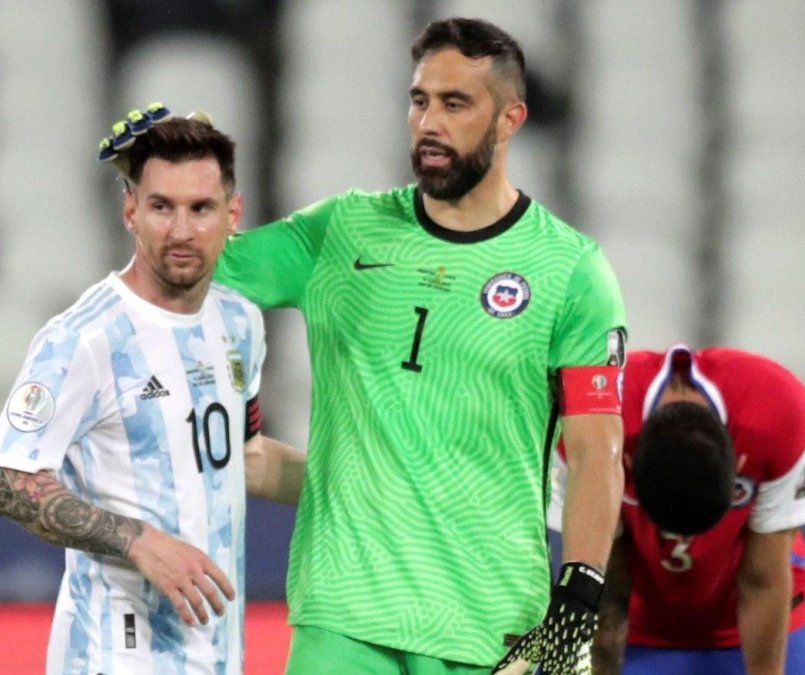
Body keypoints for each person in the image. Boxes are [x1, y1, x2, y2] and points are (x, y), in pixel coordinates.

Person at [209, 16, 628, 675]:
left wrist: (577, 600)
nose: (429, 122)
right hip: (342, 617)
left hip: (488, 625)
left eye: (455, 103)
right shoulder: (342, 230)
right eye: (420, 100)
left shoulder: (571, 271)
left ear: (509, 118)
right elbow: (190, 272)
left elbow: (598, 451)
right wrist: (169, 186)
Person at [0, 105, 305, 675]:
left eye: (200, 208)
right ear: (131, 210)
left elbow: (244, 458)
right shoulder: (84, 338)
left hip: (215, 651)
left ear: (234, 213)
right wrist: (140, 541)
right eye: (162, 207)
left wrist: (365, 487)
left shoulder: (240, 321)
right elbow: (7, 482)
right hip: (113, 652)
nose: (181, 230)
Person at [551, 345, 805, 675]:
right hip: (641, 617)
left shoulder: (783, 415)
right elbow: (605, 583)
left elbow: (761, 578)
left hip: (753, 609)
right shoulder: (587, 430)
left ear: (738, 468)